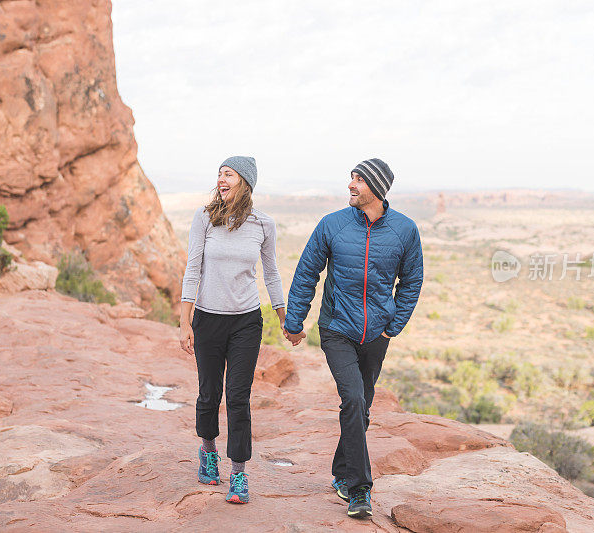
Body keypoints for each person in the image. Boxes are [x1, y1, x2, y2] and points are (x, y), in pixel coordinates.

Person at [283, 158, 423, 519]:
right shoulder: (332, 225)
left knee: (362, 406)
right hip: (337, 329)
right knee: (355, 398)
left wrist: (395, 323)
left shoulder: (404, 230)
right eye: (351, 178)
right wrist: (295, 321)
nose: (351, 185)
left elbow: (412, 281)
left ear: (377, 188)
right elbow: (306, 273)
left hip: (377, 332)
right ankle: (359, 489)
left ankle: (340, 473)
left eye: (359, 180)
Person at [179, 156, 286, 504]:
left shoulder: (263, 224)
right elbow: (192, 267)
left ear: (245, 182)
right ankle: (208, 451)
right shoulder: (204, 218)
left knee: (238, 397)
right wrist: (185, 320)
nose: (221, 179)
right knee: (209, 394)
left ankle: (238, 474)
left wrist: (284, 317)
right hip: (208, 319)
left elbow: (271, 273)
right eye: (220, 174)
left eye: (229, 174)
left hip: (245, 322)